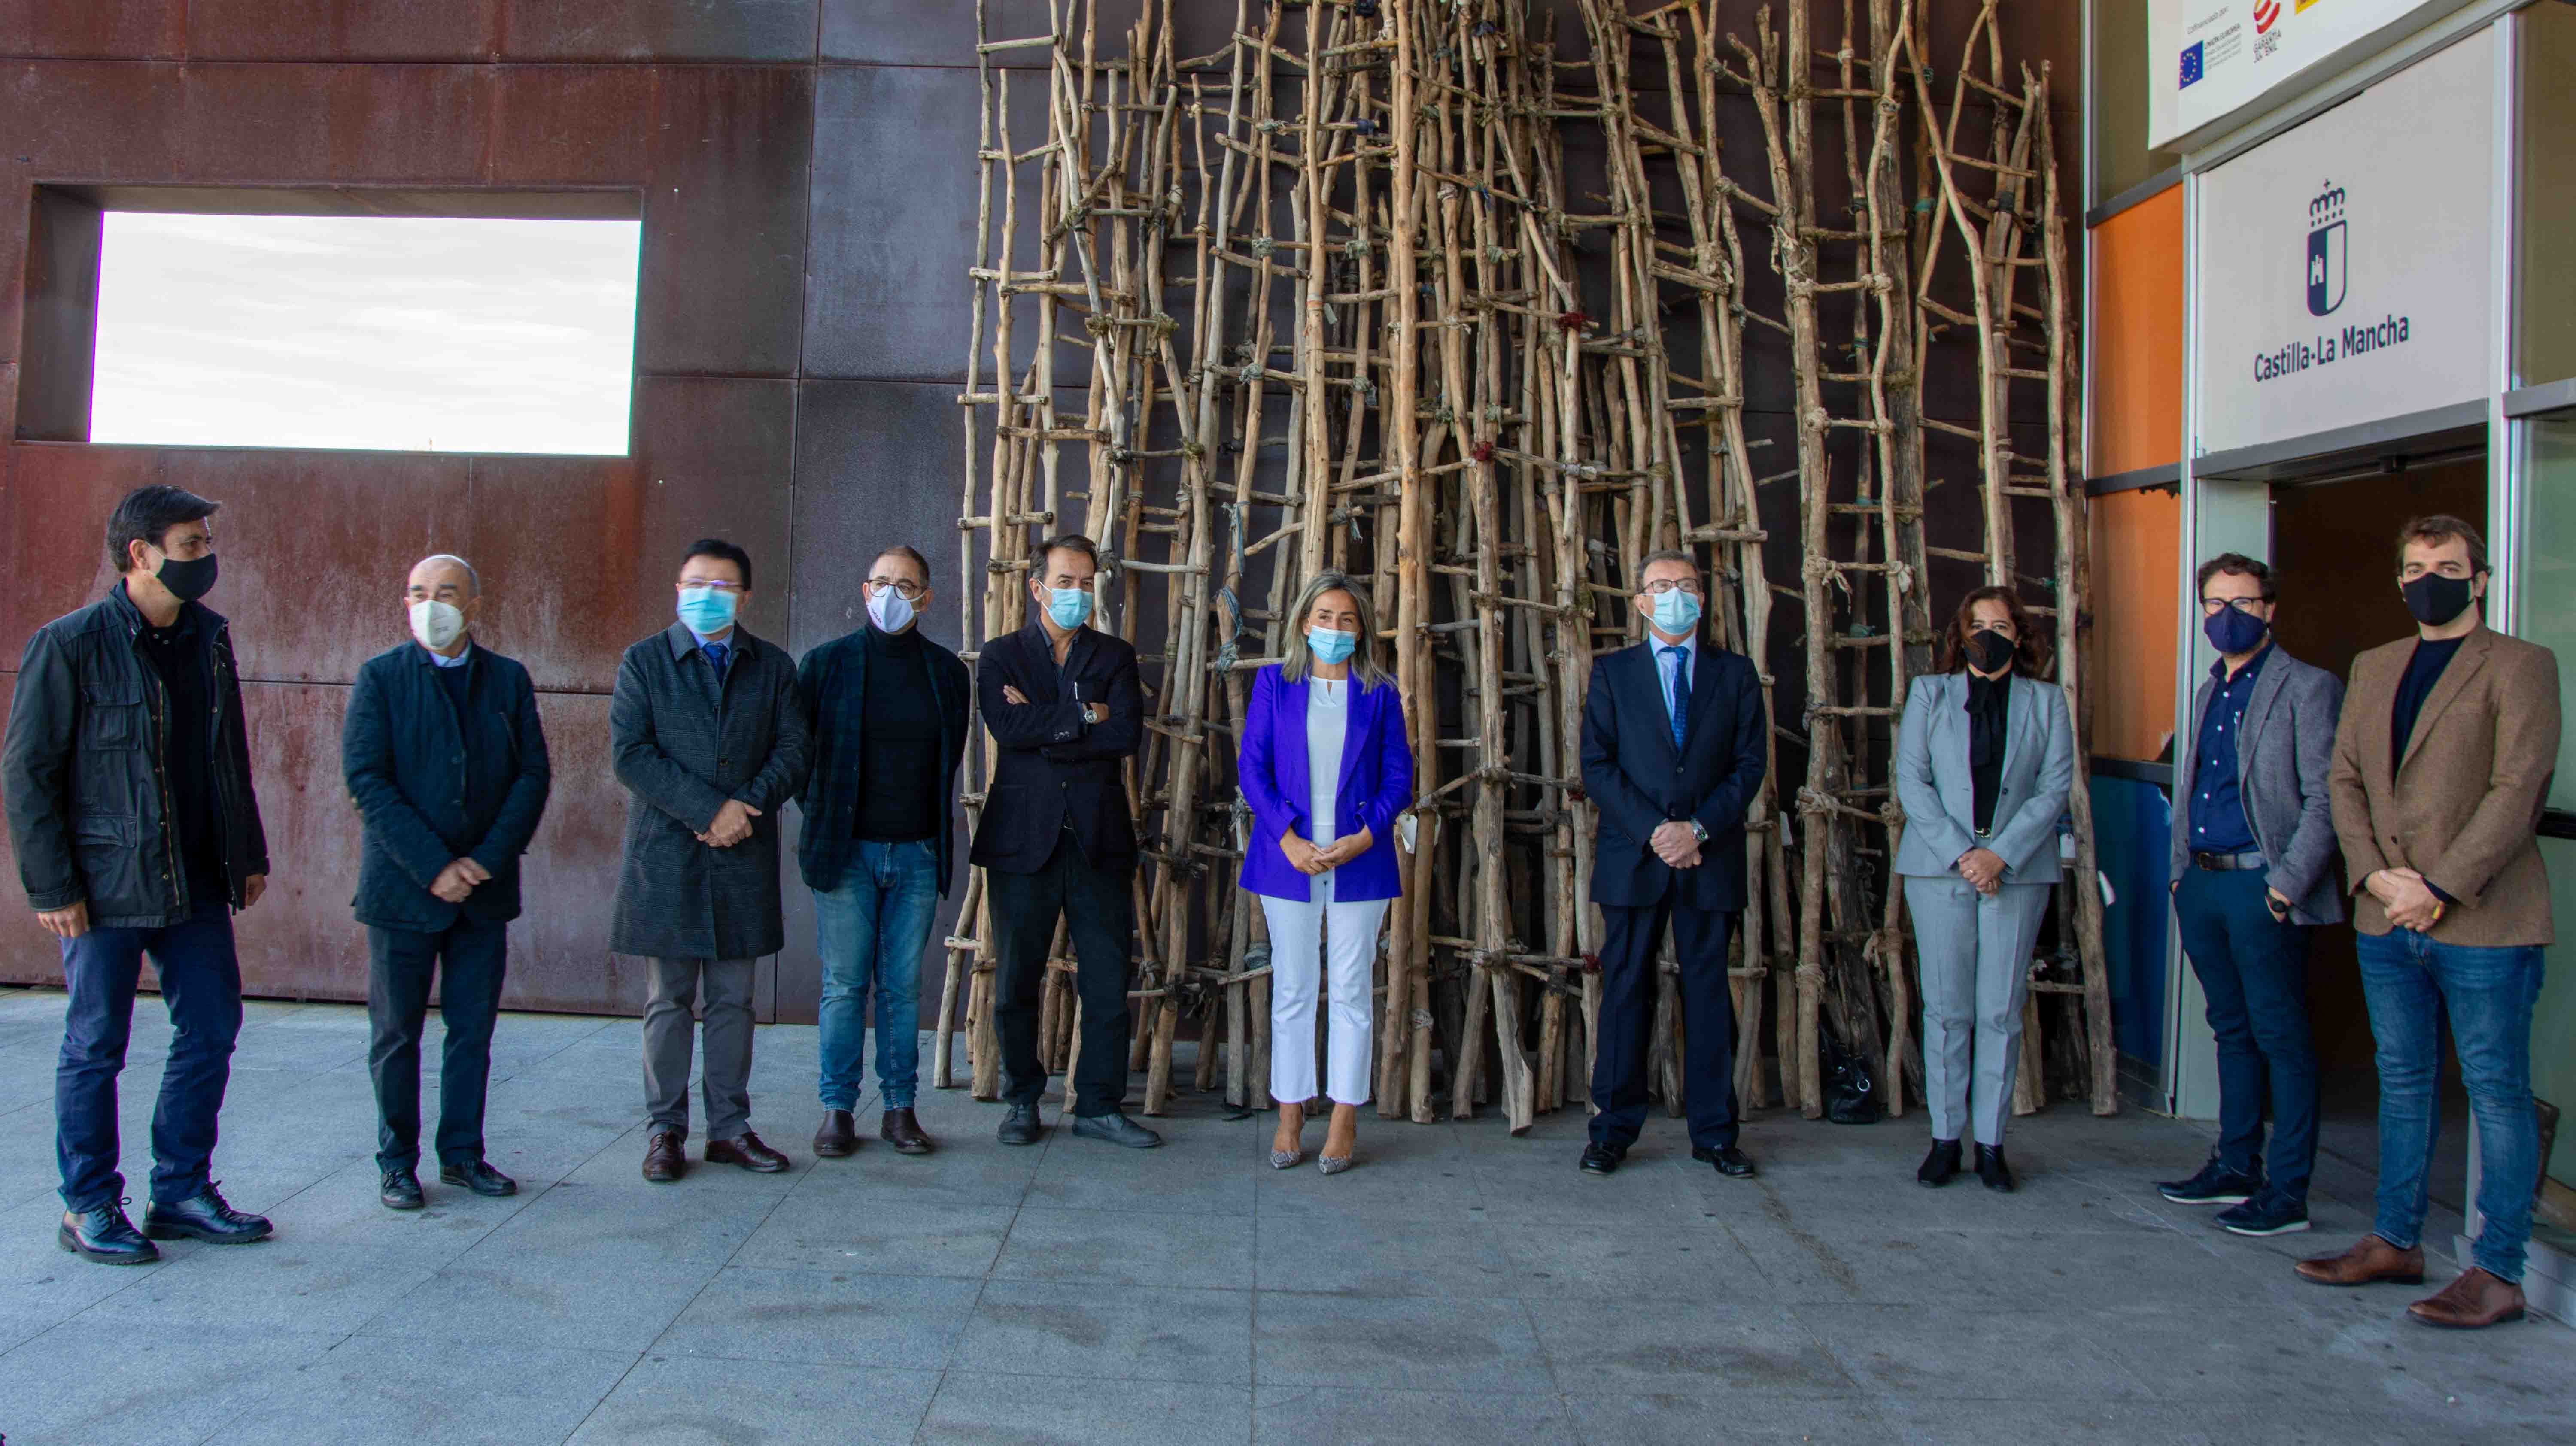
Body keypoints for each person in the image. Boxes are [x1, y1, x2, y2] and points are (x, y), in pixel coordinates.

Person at [3, 485, 274, 1263]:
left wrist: (246, 854)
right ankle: (87, 1204)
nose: (205, 560)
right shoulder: (70, 643)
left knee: (214, 1025)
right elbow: (27, 773)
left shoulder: (209, 639)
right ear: (139, 554)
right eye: (190, 546)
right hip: (104, 885)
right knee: (96, 1045)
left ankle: (181, 1188)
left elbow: (231, 758)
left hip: (193, 881)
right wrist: (52, 885)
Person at [2300, 515, 2558, 1331]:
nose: (2429, 579)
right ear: (2400, 580)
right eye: (2415, 567)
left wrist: (2438, 888)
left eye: (2448, 566)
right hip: (2386, 915)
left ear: (2479, 579)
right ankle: (2395, 1240)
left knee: (2496, 1093)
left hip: (2485, 920)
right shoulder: (2375, 666)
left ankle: (2499, 1270)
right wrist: (2376, 875)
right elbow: (2344, 781)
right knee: (2404, 1084)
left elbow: (2518, 791)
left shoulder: (2522, 665)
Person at [343, 554, 551, 1211]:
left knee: (472, 1031)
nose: (430, 604)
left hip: (484, 893)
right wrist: (435, 865)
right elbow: (368, 781)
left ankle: (462, 1153)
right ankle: (396, 1162)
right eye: (417, 592)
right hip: (403, 892)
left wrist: (483, 860)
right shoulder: (380, 679)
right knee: (396, 1033)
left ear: (476, 603)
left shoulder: (509, 680)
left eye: (446, 592)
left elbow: (532, 778)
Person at [611, 539, 811, 1182]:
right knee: (668, 1000)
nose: (707, 595)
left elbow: (794, 750)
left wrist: (743, 808)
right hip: (667, 856)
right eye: (695, 582)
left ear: (745, 597)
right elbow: (633, 754)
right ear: (677, 587)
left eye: (722, 586)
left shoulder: (774, 666)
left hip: (742, 854)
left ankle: (729, 1127)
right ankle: (665, 1130)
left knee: (733, 1000)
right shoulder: (644, 661)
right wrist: (707, 810)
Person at [2154, 554, 2342, 1237]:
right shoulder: (2209, 689)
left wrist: (2285, 886)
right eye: (2214, 603)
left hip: (2264, 887)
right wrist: (2180, 874)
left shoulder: (2308, 686)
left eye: (2242, 601)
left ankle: (2287, 1190)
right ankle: (2236, 1163)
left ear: (2270, 608)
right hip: (2203, 884)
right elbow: (2195, 783)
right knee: (2230, 1030)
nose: (2226, 614)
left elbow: (2327, 797)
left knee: (2281, 1036)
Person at [1576, 549, 1767, 1180]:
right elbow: (1598, 765)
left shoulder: (1735, 675)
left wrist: (1698, 828)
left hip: (1709, 858)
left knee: (1709, 995)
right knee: (1625, 992)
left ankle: (1715, 1133)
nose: (1674, 595)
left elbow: (1749, 766)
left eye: (1686, 585)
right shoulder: (1614, 673)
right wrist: (1658, 830)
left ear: (1703, 598)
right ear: (1640, 602)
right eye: (1660, 586)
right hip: (1636, 857)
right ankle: (1611, 1131)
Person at [972, 534, 1159, 1149]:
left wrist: (1048, 721)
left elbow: (1126, 734)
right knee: (1017, 978)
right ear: (1037, 587)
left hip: (1097, 836)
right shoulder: (1001, 656)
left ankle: (1100, 1104)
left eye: (1086, 582)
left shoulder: (1115, 655)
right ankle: (1023, 1098)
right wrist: (1085, 715)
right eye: (1066, 581)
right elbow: (1006, 725)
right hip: (1022, 839)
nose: (1078, 592)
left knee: (1107, 976)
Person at [1890, 586, 2073, 1194]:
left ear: (2020, 636)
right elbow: (1912, 782)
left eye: (2001, 624)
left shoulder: (2047, 702)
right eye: (1977, 625)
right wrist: (1964, 854)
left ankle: (1992, 1143)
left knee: (2000, 1008)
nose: (1988, 634)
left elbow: (2054, 788)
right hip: (1941, 869)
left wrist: (2001, 854)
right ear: (1959, 635)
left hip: (2017, 870)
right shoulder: (1931, 694)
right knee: (1946, 1009)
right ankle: (1946, 1138)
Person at [1236, 572, 1413, 1173]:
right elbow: (1252, 769)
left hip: (1360, 861)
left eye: (1346, 619)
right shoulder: (1274, 684)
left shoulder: (1381, 694)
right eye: (1323, 616)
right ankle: (1290, 1109)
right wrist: (1288, 836)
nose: (1333, 629)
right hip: (1288, 859)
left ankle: (1344, 1113)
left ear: (1361, 629)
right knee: (1291, 986)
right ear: (1302, 623)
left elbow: (1398, 778)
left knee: (1352, 988)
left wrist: (1364, 836)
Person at [795, 545, 969, 1159]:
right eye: (882, 582)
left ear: (926, 597)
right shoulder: (826, 665)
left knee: (900, 987)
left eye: (907, 584)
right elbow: (799, 759)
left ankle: (900, 1108)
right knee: (844, 985)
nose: (892, 593)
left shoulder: (947, 672)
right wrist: (824, 820)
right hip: (846, 855)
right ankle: (838, 1109)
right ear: (865, 589)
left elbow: (948, 759)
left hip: (917, 853)